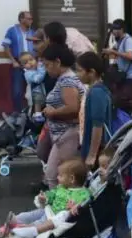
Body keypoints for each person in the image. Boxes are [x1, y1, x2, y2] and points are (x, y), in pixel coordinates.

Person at [0, 159, 90, 238]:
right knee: (27, 215)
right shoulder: (61, 187)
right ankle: (10, 225)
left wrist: (75, 207)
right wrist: (45, 197)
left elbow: (84, 204)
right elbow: (52, 194)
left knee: (38, 223)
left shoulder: (83, 194)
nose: (57, 177)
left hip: (54, 217)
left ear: (72, 179)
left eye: (60, 175)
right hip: (48, 210)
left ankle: (14, 229)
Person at [37, 44, 86, 188]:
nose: (46, 69)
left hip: (68, 133)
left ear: (57, 62)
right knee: (56, 175)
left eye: (47, 65)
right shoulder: (65, 79)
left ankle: (61, 207)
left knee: (57, 176)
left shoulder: (67, 81)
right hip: (64, 134)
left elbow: (73, 108)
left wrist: (52, 112)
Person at [76, 52, 113, 168]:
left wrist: (92, 155)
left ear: (91, 72)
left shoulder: (97, 92)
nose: (78, 74)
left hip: (98, 151)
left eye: (80, 70)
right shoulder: (94, 90)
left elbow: (98, 125)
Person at [103, 19, 132, 116]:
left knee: (124, 98)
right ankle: (130, 116)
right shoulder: (120, 41)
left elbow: (129, 56)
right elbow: (118, 55)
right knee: (124, 98)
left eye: (116, 29)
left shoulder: (128, 40)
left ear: (121, 30)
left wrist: (113, 52)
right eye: (113, 29)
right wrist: (108, 53)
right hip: (124, 75)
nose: (114, 32)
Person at [2, 11, 35, 112]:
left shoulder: (33, 32)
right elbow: (6, 46)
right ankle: (18, 113)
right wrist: (13, 61)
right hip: (18, 63)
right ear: (21, 19)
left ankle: (32, 113)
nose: (31, 21)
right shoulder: (12, 31)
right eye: (29, 19)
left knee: (34, 90)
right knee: (17, 91)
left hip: (32, 64)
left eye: (31, 19)